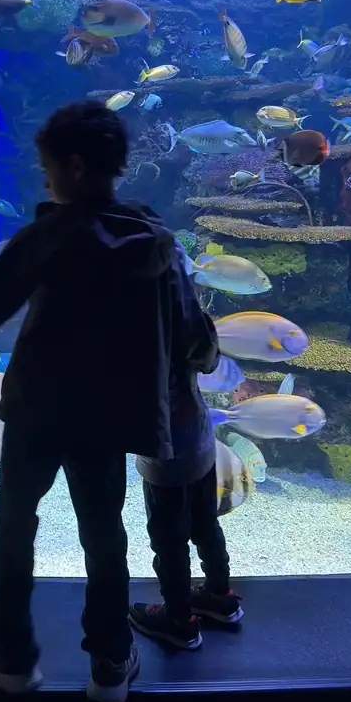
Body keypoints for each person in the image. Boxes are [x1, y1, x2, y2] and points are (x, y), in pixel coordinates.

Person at [0, 101, 198, 702]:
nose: (45, 178)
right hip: (108, 417)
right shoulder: (154, 238)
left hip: (37, 409)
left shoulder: (52, 234)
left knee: (16, 528)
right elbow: (185, 323)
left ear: (74, 167)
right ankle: (110, 661)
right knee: (104, 535)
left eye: (48, 167)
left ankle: (11, 654)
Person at [127, 246, 243, 650]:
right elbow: (209, 362)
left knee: (168, 536)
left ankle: (178, 619)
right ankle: (220, 596)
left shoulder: (138, 323)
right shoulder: (192, 317)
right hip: (199, 438)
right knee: (205, 521)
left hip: (163, 448)